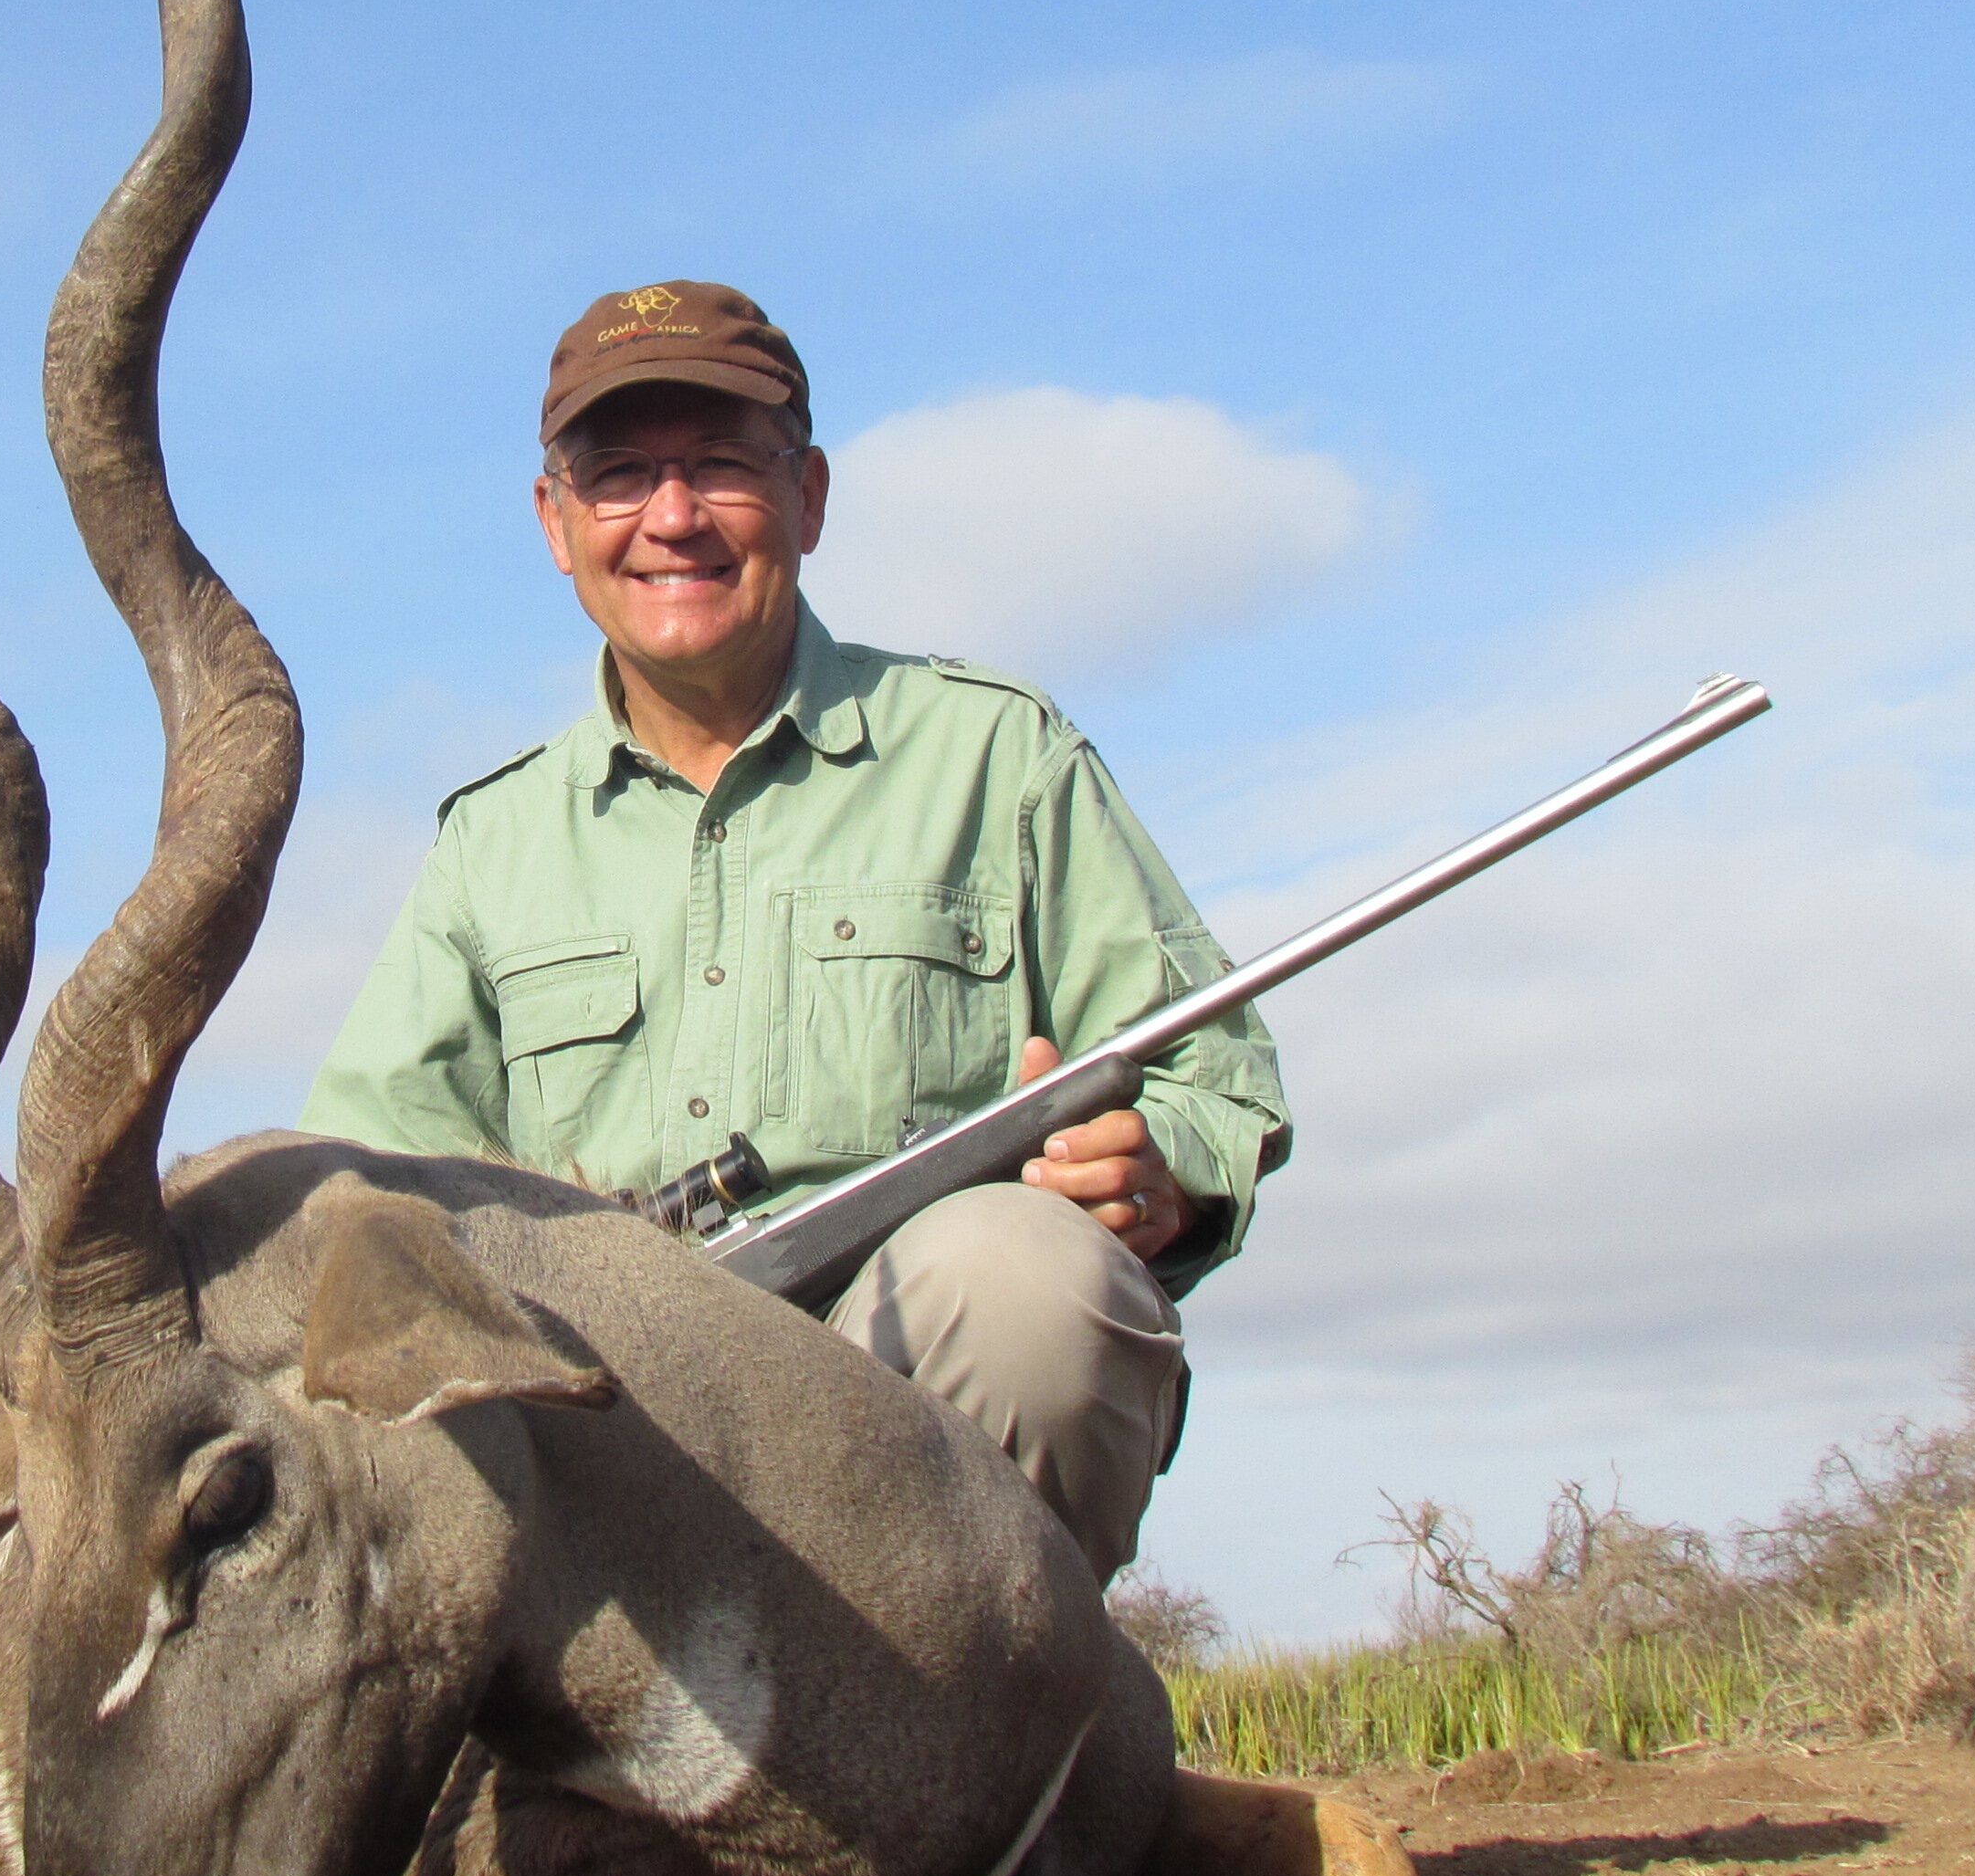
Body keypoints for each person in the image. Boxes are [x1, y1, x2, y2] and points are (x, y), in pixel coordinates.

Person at [299, 280, 1288, 1577]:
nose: (671, 517)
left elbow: (1215, 1080)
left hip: (918, 1453)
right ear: (555, 522)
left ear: (810, 497)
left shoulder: (996, 754)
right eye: (619, 476)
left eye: (720, 466)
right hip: (610, 1448)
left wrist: (1155, 1173)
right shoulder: (493, 844)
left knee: (1026, 1282)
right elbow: (357, 1193)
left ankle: (997, 1749)